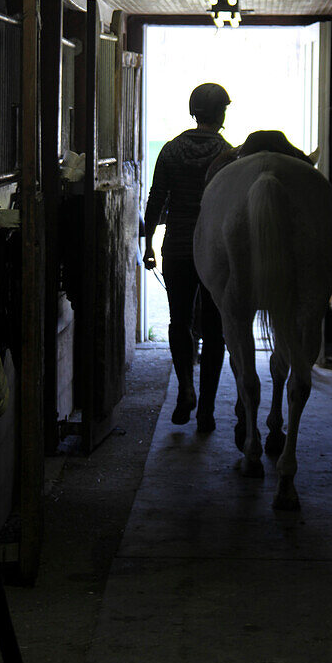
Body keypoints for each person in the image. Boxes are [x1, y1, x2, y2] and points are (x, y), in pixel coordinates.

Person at [143, 82, 232, 432]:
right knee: (215, 330)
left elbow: (156, 200)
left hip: (177, 247)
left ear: (193, 111)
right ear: (222, 113)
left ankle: (185, 390)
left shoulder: (170, 151)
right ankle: (207, 409)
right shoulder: (228, 155)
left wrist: (148, 242)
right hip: (214, 251)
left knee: (179, 321)